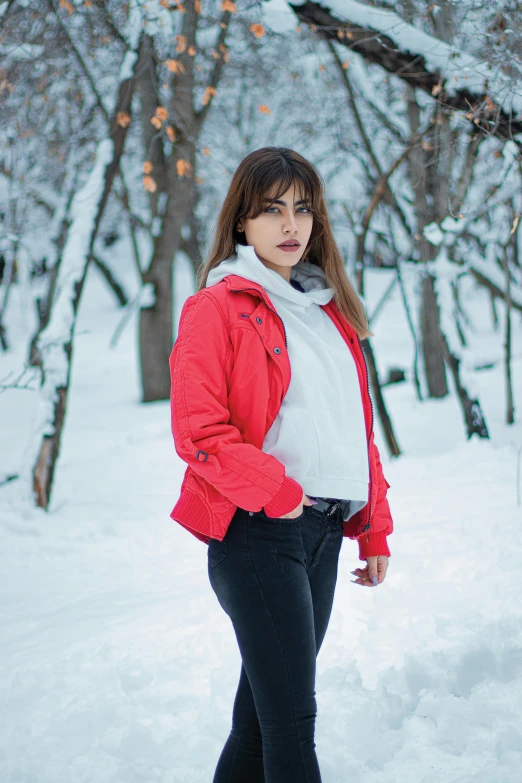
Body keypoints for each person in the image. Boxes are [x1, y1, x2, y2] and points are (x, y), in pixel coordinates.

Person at [169, 147, 394, 783]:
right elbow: (198, 431)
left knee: (261, 726)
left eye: (302, 209)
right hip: (257, 532)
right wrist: (277, 491)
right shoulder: (216, 308)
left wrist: (373, 526)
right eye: (272, 211)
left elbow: (356, 430)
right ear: (242, 222)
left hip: (320, 532)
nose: (291, 224)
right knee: (293, 727)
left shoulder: (329, 314)